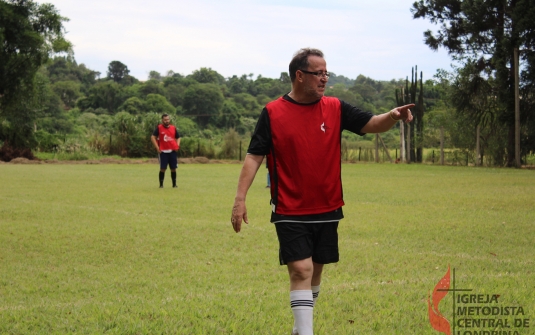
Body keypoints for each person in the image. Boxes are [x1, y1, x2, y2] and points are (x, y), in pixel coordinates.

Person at [230, 48, 413, 335]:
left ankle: (299, 326)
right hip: (289, 208)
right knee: (300, 270)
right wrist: (240, 199)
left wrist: (392, 115)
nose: (324, 78)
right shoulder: (272, 112)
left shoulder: (336, 107)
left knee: (315, 271)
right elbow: (254, 156)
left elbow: (372, 123)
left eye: (327, 72)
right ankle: (306, 331)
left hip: (327, 206)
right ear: (299, 76)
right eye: (319, 73)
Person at [151, 114, 181, 188]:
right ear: (162, 120)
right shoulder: (159, 128)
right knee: (163, 168)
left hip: (172, 151)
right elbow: (152, 137)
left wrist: (177, 145)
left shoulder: (173, 128)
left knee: (173, 168)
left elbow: (178, 137)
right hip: (163, 152)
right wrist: (157, 148)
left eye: (168, 119)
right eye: (165, 120)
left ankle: (174, 185)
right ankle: (161, 185)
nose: (166, 121)